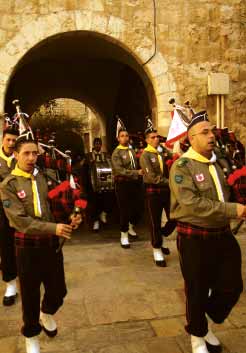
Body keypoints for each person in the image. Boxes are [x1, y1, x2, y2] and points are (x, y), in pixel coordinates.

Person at [169, 111, 244, 353]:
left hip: (222, 233)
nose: (212, 135)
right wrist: (234, 209)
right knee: (196, 287)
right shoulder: (182, 166)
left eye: (212, 131)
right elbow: (192, 204)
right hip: (194, 237)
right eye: (205, 132)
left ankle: (202, 320)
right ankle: (197, 336)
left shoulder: (220, 161)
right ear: (191, 138)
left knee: (232, 286)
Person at [0, 132, 81, 353]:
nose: (31, 157)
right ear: (16, 154)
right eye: (26, 153)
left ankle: (47, 313)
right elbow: (20, 221)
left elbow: (59, 206)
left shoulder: (47, 178)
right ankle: (31, 335)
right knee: (30, 293)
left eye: (35, 153)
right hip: (27, 247)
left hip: (51, 245)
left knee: (59, 291)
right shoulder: (8, 184)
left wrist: (71, 217)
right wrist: (54, 228)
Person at [140, 120, 176, 267]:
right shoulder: (146, 155)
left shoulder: (162, 151)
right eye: (153, 137)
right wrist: (170, 181)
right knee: (154, 220)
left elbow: (173, 158)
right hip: (153, 192)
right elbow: (151, 177)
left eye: (157, 137)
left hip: (167, 191)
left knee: (174, 216)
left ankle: (161, 233)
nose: (156, 139)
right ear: (147, 140)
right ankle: (157, 249)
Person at [111, 119, 143, 248]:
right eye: (122, 136)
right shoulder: (116, 153)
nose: (125, 138)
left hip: (135, 183)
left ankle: (130, 226)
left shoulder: (131, 150)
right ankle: (123, 234)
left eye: (126, 135)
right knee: (124, 209)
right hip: (123, 184)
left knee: (137, 208)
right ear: (118, 138)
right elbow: (120, 170)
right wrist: (136, 173)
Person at [0, 126, 19, 306]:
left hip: (21, 208)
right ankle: (11, 284)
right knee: (5, 246)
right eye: (8, 140)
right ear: (3, 139)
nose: (11, 143)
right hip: (2, 210)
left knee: (23, 244)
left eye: (14, 140)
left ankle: (29, 276)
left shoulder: (21, 157)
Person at [85, 137, 113, 231]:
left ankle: (103, 213)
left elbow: (110, 165)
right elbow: (84, 168)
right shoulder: (89, 156)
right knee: (94, 202)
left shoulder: (105, 155)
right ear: (93, 145)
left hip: (104, 182)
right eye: (96, 144)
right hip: (93, 183)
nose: (97, 145)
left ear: (101, 145)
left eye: (99, 144)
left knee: (106, 199)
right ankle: (96, 221)